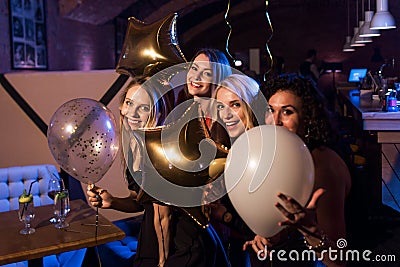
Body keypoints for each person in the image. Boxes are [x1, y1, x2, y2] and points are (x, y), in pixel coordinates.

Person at [244, 74, 352, 267]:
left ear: (307, 119)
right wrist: (272, 236)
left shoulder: (323, 167)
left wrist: (308, 228)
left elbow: (339, 259)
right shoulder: (284, 155)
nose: (275, 121)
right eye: (271, 110)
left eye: (287, 112)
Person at [87, 76, 173, 267]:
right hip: (151, 236)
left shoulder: (160, 151)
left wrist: (162, 262)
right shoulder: (135, 147)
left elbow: (164, 216)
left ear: (156, 112)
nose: (132, 112)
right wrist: (113, 201)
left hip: (176, 243)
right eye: (129, 103)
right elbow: (141, 201)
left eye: (143, 107)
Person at [164, 48, 233, 267]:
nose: (196, 77)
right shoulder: (185, 114)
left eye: (206, 72)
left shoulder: (228, 115)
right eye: (194, 69)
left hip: (227, 218)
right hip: (194, 218)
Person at [207, 73, 267, 267]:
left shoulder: (263, 150)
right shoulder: (229, 144)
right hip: (235, 243)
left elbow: (265, 227)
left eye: (235, 104)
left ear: (251, 106)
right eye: (221, 107)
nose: (226, 114)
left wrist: (225, 215)